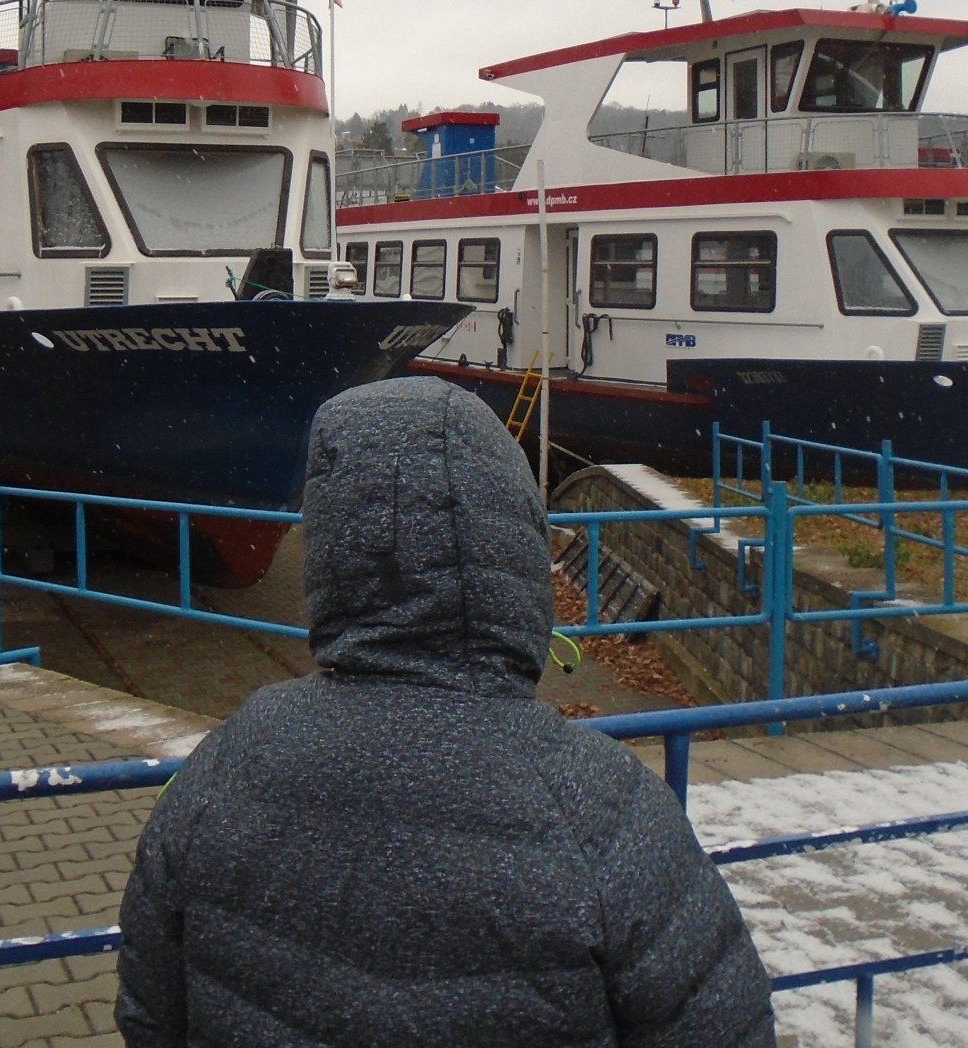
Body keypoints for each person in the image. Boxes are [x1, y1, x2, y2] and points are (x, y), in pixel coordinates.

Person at [116, 376, 775, 1047]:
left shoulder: (222, 770)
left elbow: (151, 1015)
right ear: (517, 547)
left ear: (333, 551)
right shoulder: (601, 805)